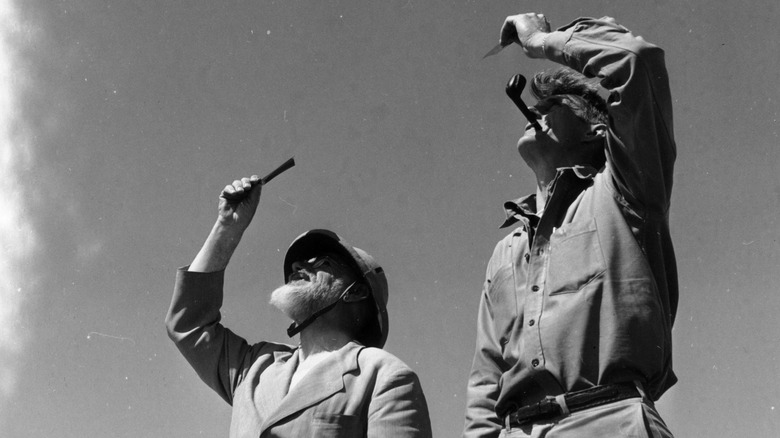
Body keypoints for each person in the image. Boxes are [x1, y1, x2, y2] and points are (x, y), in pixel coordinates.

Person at [464, 12, 678, 437]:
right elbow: (486, 381)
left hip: (608, 421)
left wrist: (543, 41)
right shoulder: (505, 253)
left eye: (553, 105)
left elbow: (636, 62)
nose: (535, 109)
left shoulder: (624, 192)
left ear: (597, 130)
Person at [166, 175, 432, 437]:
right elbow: (189, 323)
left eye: (322, 262)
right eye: (298, 263)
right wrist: (227, 227)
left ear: (357, 291)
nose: (298, 266)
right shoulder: (255, 366)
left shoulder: (383, 376)